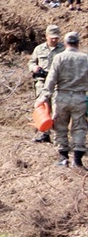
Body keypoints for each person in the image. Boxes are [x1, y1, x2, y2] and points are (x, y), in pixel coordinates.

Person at [36, 32, 88, 169]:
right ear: (78, 43)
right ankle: (77, 161)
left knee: (60, 127)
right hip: (80, 97)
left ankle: (63, 158)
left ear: (65, 43)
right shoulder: (85, 58)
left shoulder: (59, 57)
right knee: (79, 128)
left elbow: (51, 79)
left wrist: (43, 97)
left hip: (61, 98)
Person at [29, 25, 64, 143]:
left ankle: (58, 136)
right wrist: (34, 67)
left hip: (58, 84)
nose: (54, 40)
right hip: (42, 83)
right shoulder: (39, 49)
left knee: (57, 109)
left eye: (56, 38)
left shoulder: (63, 49)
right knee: (43, 108)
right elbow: (31, 62)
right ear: (46, 36)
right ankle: (45, 133)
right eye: (52, 37)